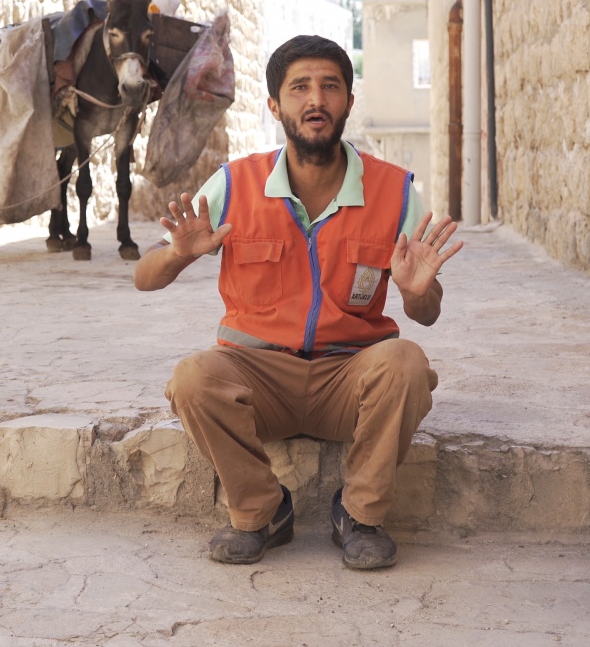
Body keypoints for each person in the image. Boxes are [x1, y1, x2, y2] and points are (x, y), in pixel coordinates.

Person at [134, 34, 463, 570]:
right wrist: (177, 255)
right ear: (274, 105)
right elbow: (144, 278)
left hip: (348, 379)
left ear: (349, 102)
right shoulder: (236, 183)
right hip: (257, 376)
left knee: (406, 362)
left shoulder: (394, 190)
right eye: (300, 88)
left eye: (331, 86)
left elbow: (426, 311)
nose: (316, 100)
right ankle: (261, 513)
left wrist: (416, 290)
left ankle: (359, 515)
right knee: (193, 375)